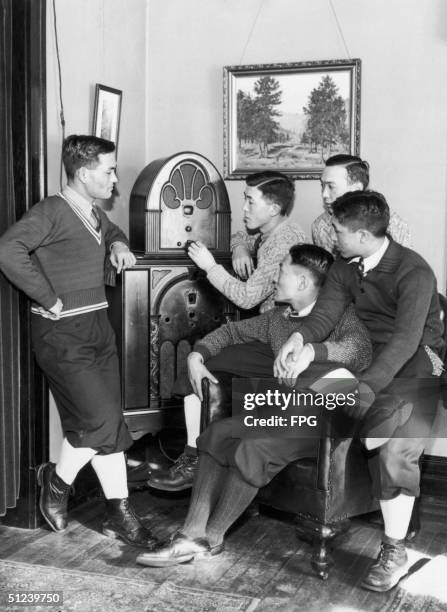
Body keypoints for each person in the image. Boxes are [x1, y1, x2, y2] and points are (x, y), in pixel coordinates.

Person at [136, 243, 373, 567]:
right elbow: (231, 332)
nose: (274, 278)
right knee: (218, 433)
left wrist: (311, 355)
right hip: (281, 412)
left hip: (324, 422)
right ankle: (190, 534)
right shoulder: (278, 318)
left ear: (303, 283)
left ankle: (212, 537)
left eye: (281, 271)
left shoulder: (341, 316)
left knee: (254, 448)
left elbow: (359, 351)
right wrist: (197, 354)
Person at [274, 190, 444, 592]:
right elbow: (325, 316)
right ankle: (369, 420)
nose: (331, 234)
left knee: (395, 449)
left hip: (410, 368)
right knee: (301, 367)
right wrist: (299, 340)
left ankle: (395, 550)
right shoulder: (344, 267)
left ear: (364, 236)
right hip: (364, 362)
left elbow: (404, 344)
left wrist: (365, 391)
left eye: (337, 229)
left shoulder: (414, 272)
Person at [0, 135, 156, 549]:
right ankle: (78, 491)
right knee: (103, 421)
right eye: (109, 170)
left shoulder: (92, 212)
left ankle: (92, 500)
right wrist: (47, 297)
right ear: (84, 174)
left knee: (103, 420)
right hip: (62, 333)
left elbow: (111, 229)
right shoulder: (51, 210)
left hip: (97, 328)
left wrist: (119, 242)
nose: (115, 178)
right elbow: (8, 248)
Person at [188, 171, 305, 313]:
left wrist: (210, 266)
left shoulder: (284, 243)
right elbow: (240, 236)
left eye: (250, 201)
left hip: (280, 327)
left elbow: (247, 298)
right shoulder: (275, 231)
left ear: (273, 209)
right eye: (245, 199)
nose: (244, 207)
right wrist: (240, 248)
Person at [312, 154, 411, 253]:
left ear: (356, 189)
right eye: (322, 186)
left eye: (331, 186)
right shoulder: (320, 226)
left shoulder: (393, 226)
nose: (324, 194)